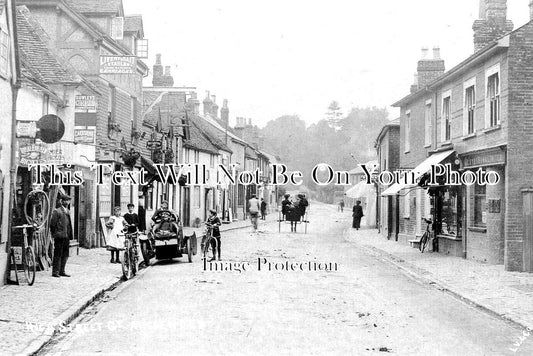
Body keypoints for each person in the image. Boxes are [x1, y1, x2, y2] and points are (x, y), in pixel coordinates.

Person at [50, 194, 73, 277]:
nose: (67, 202)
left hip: (66, 236)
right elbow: (52, 224)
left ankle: (62, 271)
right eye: (66, 200)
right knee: (58, 254)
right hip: (59, 236)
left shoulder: (67, 211)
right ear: (62, 201)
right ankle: (55, 272)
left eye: (68, 201)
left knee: (65, 254)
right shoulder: (57, 211)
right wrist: (55, 234)